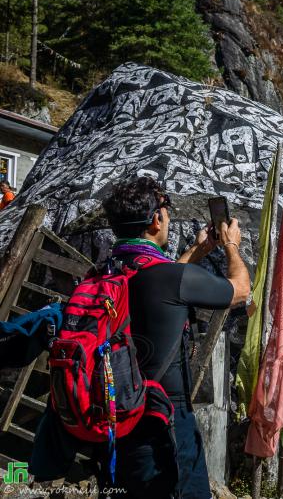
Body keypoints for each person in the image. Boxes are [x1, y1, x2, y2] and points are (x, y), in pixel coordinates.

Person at [99, 176, 251, 498]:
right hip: (164, 424)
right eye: (166, 210)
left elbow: (161, 287)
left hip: (114, 420)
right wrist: (231, 246)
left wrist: (197, 250)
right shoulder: (170, 278)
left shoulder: (107, 272)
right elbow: (240, 290)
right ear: (156, 219)